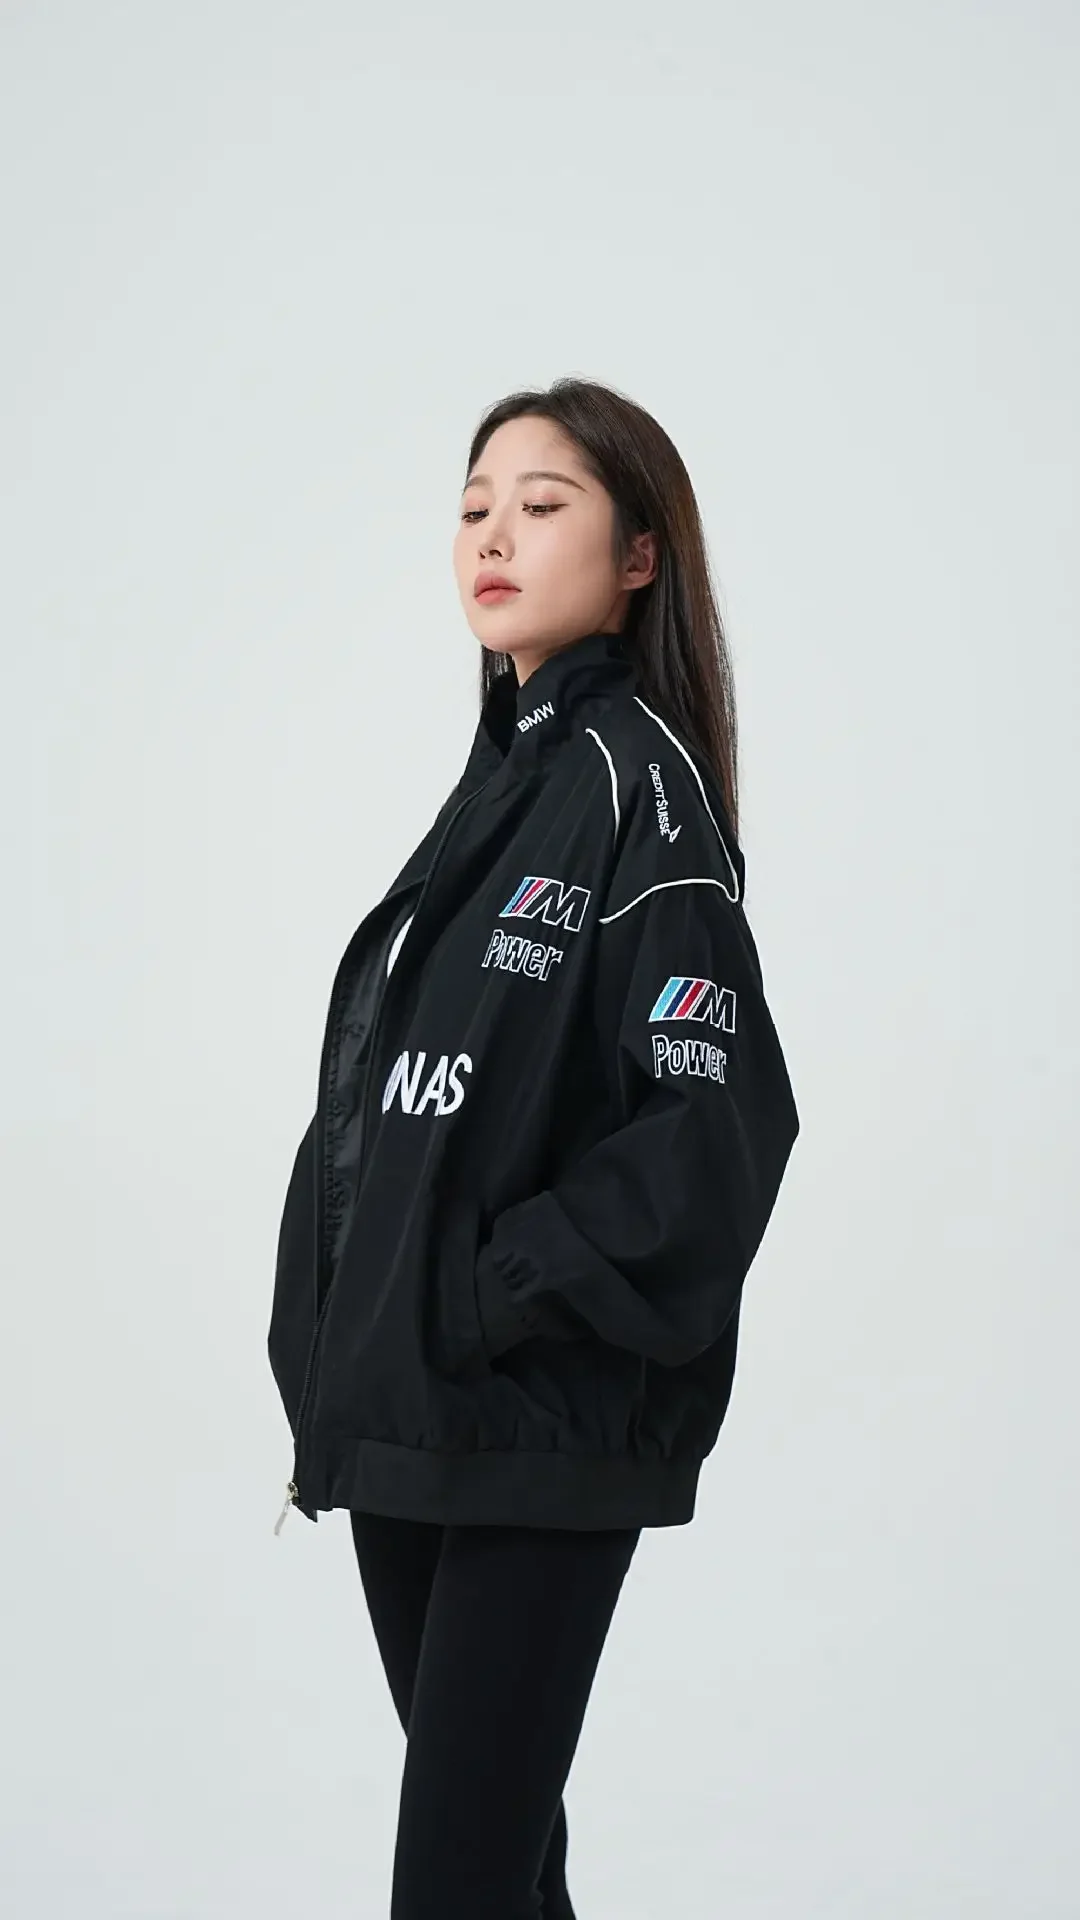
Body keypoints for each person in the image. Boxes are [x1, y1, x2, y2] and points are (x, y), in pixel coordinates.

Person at [267, 376, 801, 1919]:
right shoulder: (504, 783)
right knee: (502, 1878)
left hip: (530, 1426)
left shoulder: (638, 783)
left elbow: (714, 1127)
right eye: (472, 507)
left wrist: (493, 1290)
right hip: (410, 1419)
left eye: (542, 503)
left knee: (455, 1883)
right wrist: (343, 1330)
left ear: (638, 555)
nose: (493, 535)